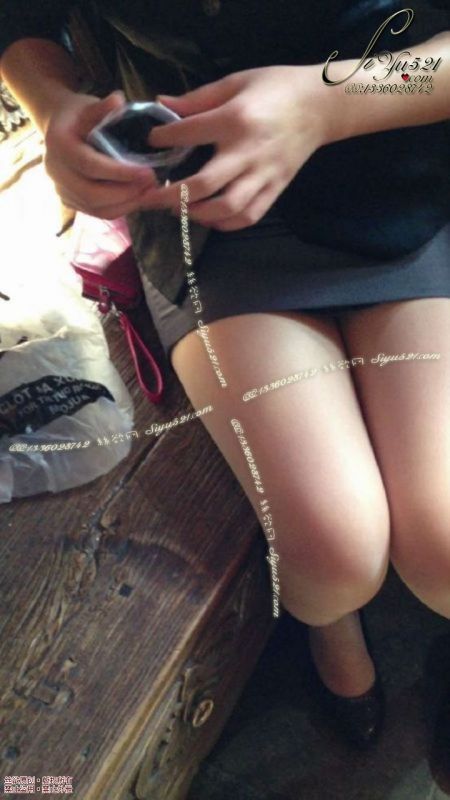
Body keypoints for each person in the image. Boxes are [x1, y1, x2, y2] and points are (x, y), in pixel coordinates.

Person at [1, 0, 449, 753]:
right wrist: (55, 111)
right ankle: (331, 628)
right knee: (332, 553)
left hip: (403, 170)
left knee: (446, 550)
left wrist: (328, 104)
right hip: (204, 211)